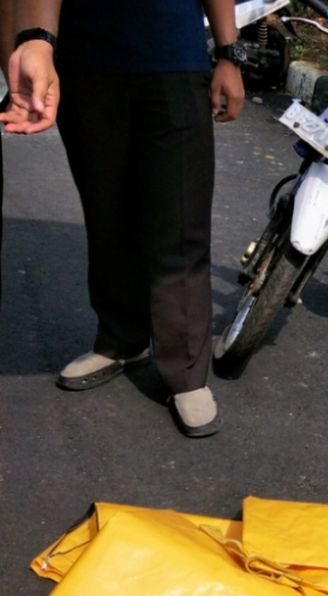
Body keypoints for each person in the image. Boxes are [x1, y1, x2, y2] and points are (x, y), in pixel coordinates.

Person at [2, 0, 245, 437]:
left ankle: (187, 372)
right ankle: (121, 341)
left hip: (173, 60)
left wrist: (229, 55)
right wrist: (33, 45)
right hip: (85, 66)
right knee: (107, 211)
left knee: (180, 219)